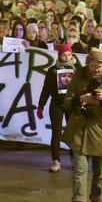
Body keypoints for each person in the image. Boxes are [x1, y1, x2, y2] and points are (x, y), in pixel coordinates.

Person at [62, 48, 102, 202]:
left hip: (101, 129)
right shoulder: (78, 77)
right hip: (80, 128)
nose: (96, 69)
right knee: (79, 168)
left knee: (99, 170)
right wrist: (81, 99)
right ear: (88, 64)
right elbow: (66, 101)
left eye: (99, 66)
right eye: (93, 65)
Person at [37, 43, 82, 173]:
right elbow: (46, 89)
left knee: (72, 132)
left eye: (69, 54)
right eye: (64, 55)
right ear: (59, 55)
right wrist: (41, 105)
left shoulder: (78, 69)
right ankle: (56, 160)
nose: (67, 57)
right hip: (56, 104)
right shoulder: (52, 70)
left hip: (72, 104)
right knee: (56, 133)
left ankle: (74, 159)